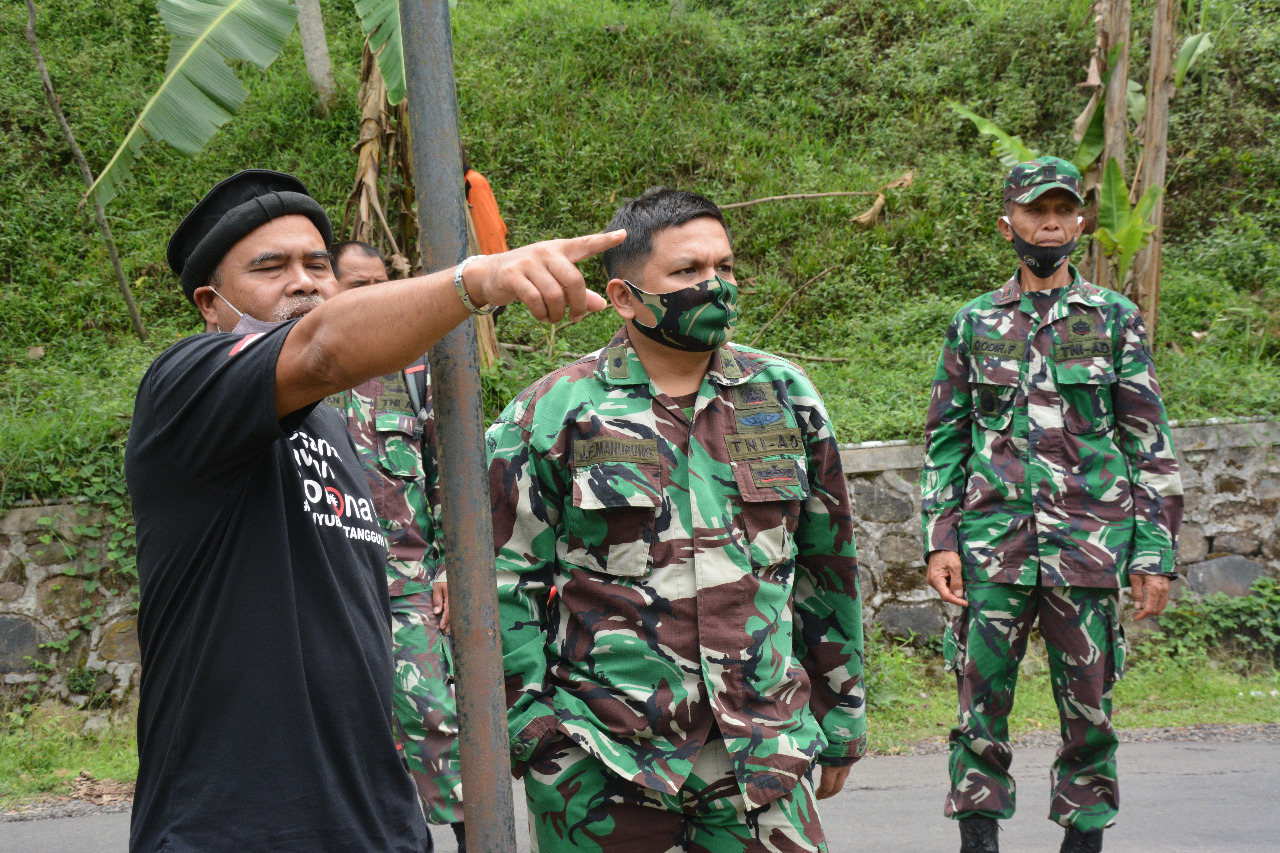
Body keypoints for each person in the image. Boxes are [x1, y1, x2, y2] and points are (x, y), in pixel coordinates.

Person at [125, 169, 622, 853]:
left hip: (369, 818)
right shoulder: (183, 389)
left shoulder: (331, 427)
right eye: (270, 267)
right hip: (234, 824)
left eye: (317, 265)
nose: (304, 282)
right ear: (211, 303)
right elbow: (322, 348)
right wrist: (474, 280)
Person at [486, 187, 866, 852]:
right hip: (604, 766)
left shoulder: (784, 395)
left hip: (762, 763)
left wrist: (841, 718)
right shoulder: (552, 414)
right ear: (625, 296)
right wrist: (535, 733)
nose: (713, 285)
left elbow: (826, 565)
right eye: (687, 272)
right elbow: (500, 584)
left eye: (723, 267)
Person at [920, 156, 1183, 853]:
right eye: (1037, 211)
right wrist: (939, 538)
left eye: (1064, 210)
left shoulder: (1113, 319)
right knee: (979, 708)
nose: (1052, 223)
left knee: (1089, 712)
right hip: (991, 547)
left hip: (1089, 548)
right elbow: (946, 439)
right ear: (1007, 221)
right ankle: (978, 841)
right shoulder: (973, 323)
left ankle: (1083, 841)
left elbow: (1147, 439)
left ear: (1080, 221)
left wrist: (1154, 551)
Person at [327, 240, 465, 851]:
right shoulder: (294, 375)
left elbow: (448, 476)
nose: (374, 296)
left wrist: (454, 570)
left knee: (436, 719)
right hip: (324, 587)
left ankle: (474, 838)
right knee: (341, 737)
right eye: (357, 286)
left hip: (408, 581)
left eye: (381, 283)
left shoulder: (412, 371)